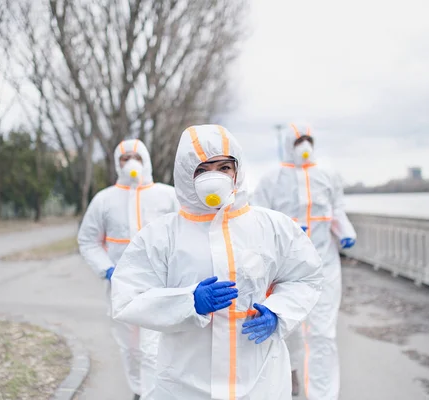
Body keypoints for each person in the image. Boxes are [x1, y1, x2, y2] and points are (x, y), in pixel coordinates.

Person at [111, 124, 323, 400]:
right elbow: (127, 298)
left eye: (224, 168)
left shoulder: (271, 226)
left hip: (260, 379)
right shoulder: (160, 235)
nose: (215, 178)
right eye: (203, 170)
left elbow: (305, 276)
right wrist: (188, 302)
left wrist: (278, 312)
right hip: (186, 383)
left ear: (237, 171)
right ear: (187, 175)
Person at [252, 123, 357, 400]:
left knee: (323, 334)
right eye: (299, 140)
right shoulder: (271, 179)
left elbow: (337, 210)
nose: (304, 145)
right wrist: (283, 232)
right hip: (285, 270)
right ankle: (291, 375)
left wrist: (345, 231)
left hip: (325, 266)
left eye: (308, 139)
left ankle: (322, 394)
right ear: (289, 143)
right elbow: (256, 219)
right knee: (290, 332)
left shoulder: (328, 175)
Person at [77, 139, 178, 400]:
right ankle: (138, 389)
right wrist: (107, 269)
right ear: (117, 164)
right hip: (121, 288)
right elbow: (88, 240)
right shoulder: (104, 200)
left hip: (160, 285)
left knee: (153, 347)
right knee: (130, 347)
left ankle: (153, 394)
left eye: (136, 156)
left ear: (146, 160)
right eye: (125, 158)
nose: (131, 162)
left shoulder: (168, 195)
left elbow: (188, 233)